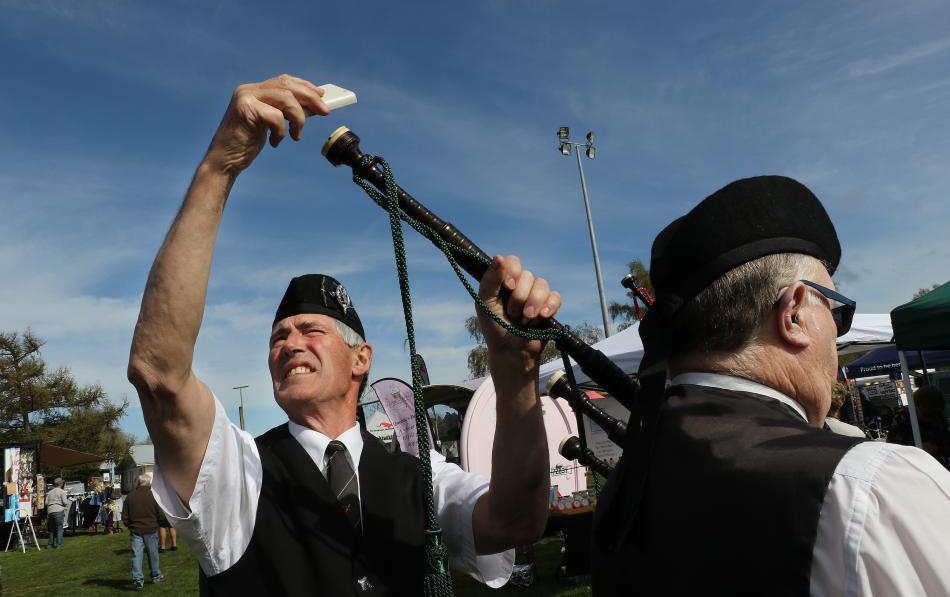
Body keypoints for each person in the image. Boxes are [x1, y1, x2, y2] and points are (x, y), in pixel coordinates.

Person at [127, 74, 559, 595]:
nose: (288, 344)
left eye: (310, 330)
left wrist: (515, 374)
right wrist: (219, 167)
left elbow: (516, 521)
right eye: (278, 337)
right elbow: (158, 375)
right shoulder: (238, 476)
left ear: (361, 360)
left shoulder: (421, 477)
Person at [591, 176, 950, 595]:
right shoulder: (870, 488)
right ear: (794, 313)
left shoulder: (627, 483)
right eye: (836, 313)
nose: (835, 338)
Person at [121, 474, 165, 589]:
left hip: (136, 530)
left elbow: (125, 516)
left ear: (138, 483)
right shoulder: (153, 496)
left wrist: (129, 525)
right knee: (153, 554)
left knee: (137, 555)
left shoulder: (130, 497)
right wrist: (158, 523)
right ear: (149, 483)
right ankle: (155, 576)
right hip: (151, 528)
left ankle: (138, 580)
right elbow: (160, 514)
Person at [45, 477, 68, 549]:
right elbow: (65, 502)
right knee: (59, 528)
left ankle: (50, 544)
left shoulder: (49, 492)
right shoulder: (62, 492)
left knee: (51, 529)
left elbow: (46, 503)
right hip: (58, 510)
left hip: (50, 511)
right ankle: (59, 545)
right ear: (61, 483)